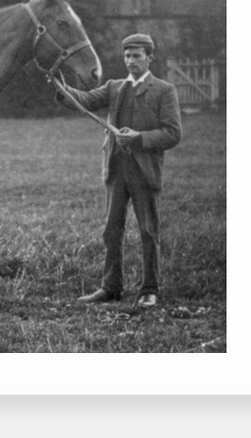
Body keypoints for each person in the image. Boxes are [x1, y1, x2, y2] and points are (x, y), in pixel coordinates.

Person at [53, 33, 181, 307]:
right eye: (127, 56)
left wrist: (139, 137)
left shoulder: (164, 90)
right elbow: (84, 100)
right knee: (112, 230)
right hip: (116, 169)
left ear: (150, 58)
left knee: (148, 231)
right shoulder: (115, 86)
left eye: (136, 55)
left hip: (144, 171)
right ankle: (110, 287)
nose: (130, 61)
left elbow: (172, 133)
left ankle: (150, 289)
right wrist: (61, 86)